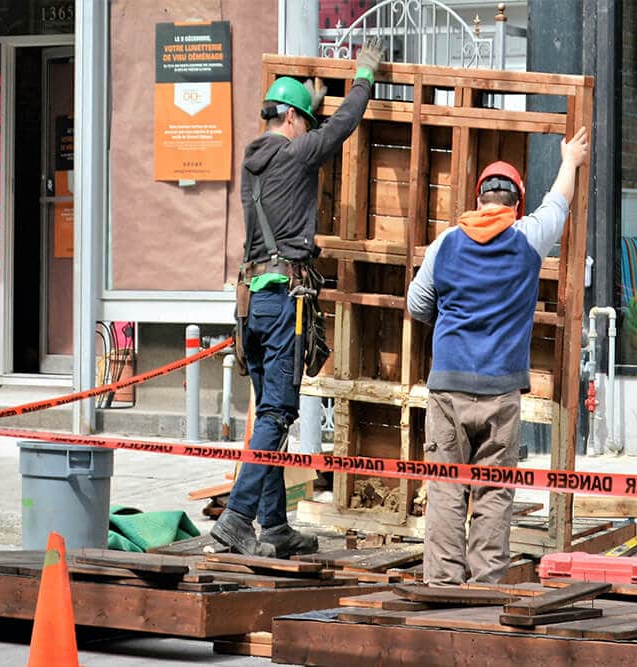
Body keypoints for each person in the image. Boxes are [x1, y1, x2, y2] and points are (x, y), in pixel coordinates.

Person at [211, 38, 385, 558]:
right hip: (284, 300)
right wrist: (364, 77)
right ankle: (238, 519)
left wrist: (312, 96)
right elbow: (342, 127)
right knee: (278, 414)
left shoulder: (252, 166)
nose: (308, 130)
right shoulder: (297, 152)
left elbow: (313, 128)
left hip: (251, 305)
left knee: (267, 411)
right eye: (304, 120)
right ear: (290, 119)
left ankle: (274, 526)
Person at [406, 127, 590, 584]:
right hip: (501, 392)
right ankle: (485, 586)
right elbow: (559, 203)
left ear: (479, 198)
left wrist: (449, 319)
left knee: (446, 489)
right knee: (493, 493)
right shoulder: (528, 238)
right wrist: (570, 159)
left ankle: (443, 586)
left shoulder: (444, 244)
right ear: (515, 204)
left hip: (447, 388)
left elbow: (416, 305)